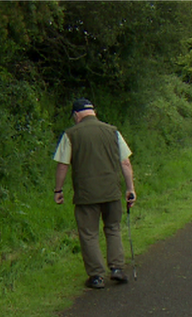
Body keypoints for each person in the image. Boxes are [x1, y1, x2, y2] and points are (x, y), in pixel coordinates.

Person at [53, 98, 137, 289]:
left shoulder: (71, 134)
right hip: (112, 191)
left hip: (86, 194)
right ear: (93, 112)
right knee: (113, 228)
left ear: (76, 115)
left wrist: (58, 190)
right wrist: (130, 189)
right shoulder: (112, 131)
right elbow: (125, 162)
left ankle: (97, 276)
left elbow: (63, 165)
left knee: (89, 234)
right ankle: (116, 269)